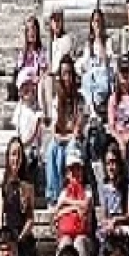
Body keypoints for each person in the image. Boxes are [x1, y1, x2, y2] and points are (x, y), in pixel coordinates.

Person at [53, 144, 95, 256]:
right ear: (67, 173)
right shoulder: (64, 191)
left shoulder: (87, 190)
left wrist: (67, 204)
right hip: (66, 234)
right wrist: (73, 207)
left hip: (84, 235)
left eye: (78, 168)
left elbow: (85, 207)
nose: (75, 173)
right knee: (65, 243)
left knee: (79, 243)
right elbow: (56, 215)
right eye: (72, 169)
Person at [45, 55, 83, 203]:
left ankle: (68, 191)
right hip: (62, 139)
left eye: (69, 73)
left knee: (68, 149)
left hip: (74, 141)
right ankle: (53, 196)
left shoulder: (79, 99)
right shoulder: (57, 99)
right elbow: (54, 130)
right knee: (52, 150)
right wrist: (62, 137)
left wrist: (65, 137)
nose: (67, 77)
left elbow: (77, 131)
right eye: (64, 73)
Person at [0, 135, 37, 256]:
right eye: (13, 154)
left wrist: (19, 239)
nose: (16, 159)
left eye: (19, 155)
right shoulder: (4, 185)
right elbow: (0, 219)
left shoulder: (28, 186)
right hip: (8, 237)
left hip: (23, 237)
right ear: (8, 157)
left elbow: (30, 219)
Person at [95, 143, 129, 256]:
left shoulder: (127, 186)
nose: (111, 167)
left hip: (122, 223)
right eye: (108, 163)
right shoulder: (103, 187)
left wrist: (116, 221)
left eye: (113, 162)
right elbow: (103, 213)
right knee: (105, 235)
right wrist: (108, 223)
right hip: (109, 224)